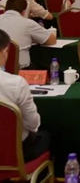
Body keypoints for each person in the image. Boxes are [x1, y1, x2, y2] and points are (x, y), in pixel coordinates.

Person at [0, 29, 50, 161]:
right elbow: (33, 124)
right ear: (5, 52)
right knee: (45, 136)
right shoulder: (16, 83)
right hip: (13, 150)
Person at [0, 0, 56, 68]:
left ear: (5, 9)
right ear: (24, 12)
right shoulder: (28, 23)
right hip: (21, 69)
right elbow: (52, 40)